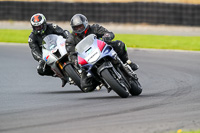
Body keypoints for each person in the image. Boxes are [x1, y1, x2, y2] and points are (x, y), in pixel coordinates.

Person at [66, 14, 139, 92]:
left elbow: (108, 33)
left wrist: (107, 36)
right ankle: (100, 80)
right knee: (85, 86)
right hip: (87, 59)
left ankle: (126, 62)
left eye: (80, 26)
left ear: (85, 23)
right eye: (76, 27)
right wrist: (75, 61)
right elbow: (71, 53)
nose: (79, 29)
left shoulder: (94, 28)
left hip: (101, 50)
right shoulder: (70, 39)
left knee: (119, 45)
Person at [28, 13, 69, 87]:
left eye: (40, 26)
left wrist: (68, 38)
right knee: (40, 70)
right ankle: (60, 76)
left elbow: (63, 33)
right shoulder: (32, 38)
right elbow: (34, 50)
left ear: (44, 24)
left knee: (72, 47)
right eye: (36, 27)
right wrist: (41, 59)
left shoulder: (52, 27)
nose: (38, 29)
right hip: (48, 55)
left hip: (60, 47)